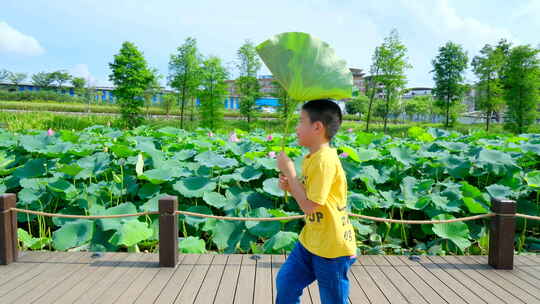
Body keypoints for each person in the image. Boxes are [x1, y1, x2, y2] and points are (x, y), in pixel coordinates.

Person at [276, 99, 357, 304]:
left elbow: (310, 207)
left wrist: (291, 174)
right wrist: (291, 186)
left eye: (301, 121)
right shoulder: (312, 157)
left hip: (332, 247)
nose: (296, 127)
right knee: (286, 282)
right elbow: (308, 197)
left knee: (333, 301)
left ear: (317, 127)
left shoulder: (324, 161)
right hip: (311, 240)